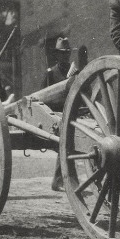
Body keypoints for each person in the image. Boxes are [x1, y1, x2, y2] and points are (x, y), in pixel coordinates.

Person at [44, 37, 74, 191]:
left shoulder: (73, 71)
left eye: (67, 53)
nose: (65, 56)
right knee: (65, 137)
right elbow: (42, 97)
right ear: (57, 55)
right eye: (62, 53)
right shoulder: (51, 73)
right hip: (55, 113)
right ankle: (58, 179)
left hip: (71, 111)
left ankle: (70, 178)